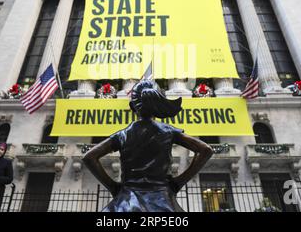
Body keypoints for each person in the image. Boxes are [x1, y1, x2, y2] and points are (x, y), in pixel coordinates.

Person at [83, 80, 213, 212]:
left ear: (132, 107)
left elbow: (89, 157)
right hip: (162, 201)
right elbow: (205, 150)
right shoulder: (168, 131)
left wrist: (113, 187)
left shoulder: (123, 135)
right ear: (157, 105)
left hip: (126, 201)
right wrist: (177, 183)